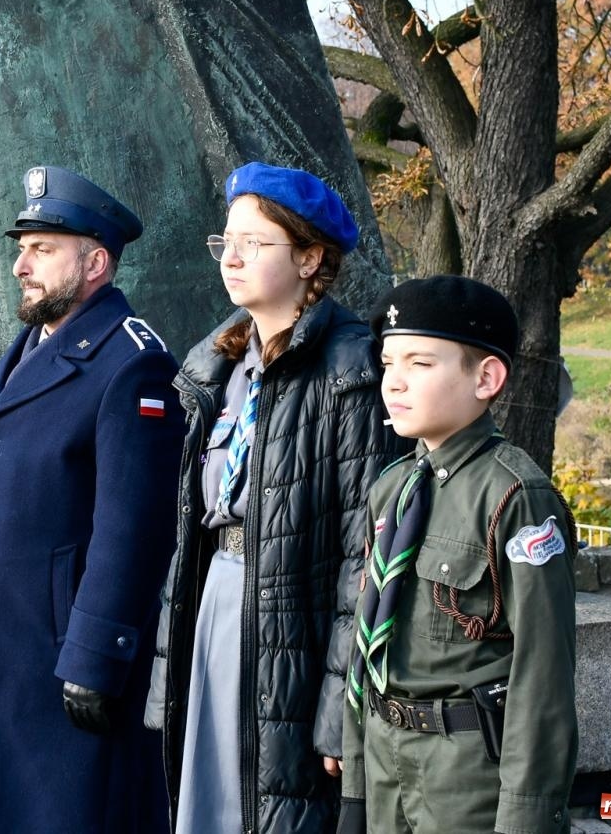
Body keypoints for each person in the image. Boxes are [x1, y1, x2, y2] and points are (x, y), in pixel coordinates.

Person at [0, 166, 183, 834]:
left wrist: (95, 656)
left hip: (59, 657)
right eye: (22, 247)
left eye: (41, 249)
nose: (20, 266)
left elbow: (133, 529)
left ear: (95, 263)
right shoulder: (33, 343)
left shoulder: (132, 362)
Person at [146, 163, 401, 833]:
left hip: (293, 627)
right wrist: (166, 668)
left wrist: (340, 707)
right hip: (217, 604)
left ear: (310, 258)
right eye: (225, 242)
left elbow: (365, 557)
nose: (230, 258)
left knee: (270, 808)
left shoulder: (349, 368)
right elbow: (189, 532)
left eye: (253, 243)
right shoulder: (220, 365)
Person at [340, 276, 577, 834]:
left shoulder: (514, 496)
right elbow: (366, 644)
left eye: (420, 364)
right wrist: (356, 781)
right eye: (388, 363)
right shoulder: (392, 490)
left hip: (466, 778)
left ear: (486, 378)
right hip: (386, 764)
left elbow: (542, 676)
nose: (394, 382)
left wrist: (527, 819)